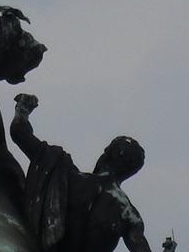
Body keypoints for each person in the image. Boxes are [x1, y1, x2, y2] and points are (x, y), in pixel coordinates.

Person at [12, 93, 154, 252]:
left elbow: (19, 133)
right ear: (130, 173)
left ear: (106, 156)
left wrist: (23, 108)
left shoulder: (66, 174)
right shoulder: (129, 215)